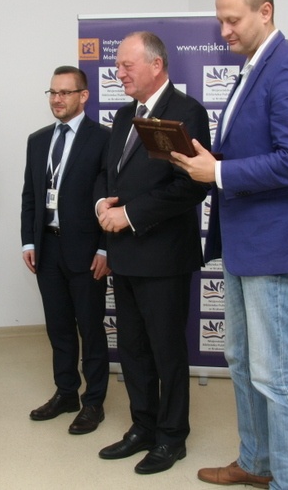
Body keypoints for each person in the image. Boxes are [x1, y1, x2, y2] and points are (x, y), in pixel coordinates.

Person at [171, 0, 288, 490]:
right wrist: (208, 160)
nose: (224, 31)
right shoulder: (252, 68)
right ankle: (257, 463)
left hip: (273, 248)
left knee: (276, 374)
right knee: (241, 361)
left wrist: (217, 172)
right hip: (243, 243)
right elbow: (257, 150)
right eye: (220, 21)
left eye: (232, 20)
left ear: (265, 12)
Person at [95, 31, 210, 475]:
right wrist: (103, 204)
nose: (119, 74)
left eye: (127, 65)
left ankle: (172, 437)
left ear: (156, 65)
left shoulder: (186, 112)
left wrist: (129, 215)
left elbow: (190, 186)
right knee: (132, 349)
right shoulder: (125, 115)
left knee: (166, 351)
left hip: (163, 258)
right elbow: (111, 175)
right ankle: (142, 426)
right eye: (118, 66)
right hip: (125, 255)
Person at [21, 66, 111, 435]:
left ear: (83, 96)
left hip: (87, 250)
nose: (57, 99)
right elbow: (30, 195)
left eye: (65, 92)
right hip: (47, 249)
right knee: (58, 327)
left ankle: (94, 402)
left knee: (90, 328)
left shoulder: (103, 139)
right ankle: (66, 392)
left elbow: (111, 197)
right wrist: (29, 241)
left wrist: (105, 248)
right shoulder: (38, 140)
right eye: (53, 92)